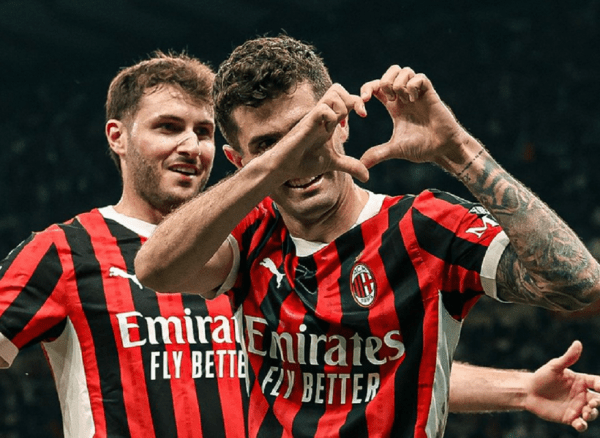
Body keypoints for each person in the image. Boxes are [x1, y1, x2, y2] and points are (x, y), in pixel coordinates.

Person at [134, 35, 600, 438]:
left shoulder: (424, 226)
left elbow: (579, 285)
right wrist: (276, 164)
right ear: (240, 162)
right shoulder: (248, 231)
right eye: (268, 146)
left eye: (307, 130)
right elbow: (155, 269)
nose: (297, 157)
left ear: (342, 123)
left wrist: (457, 150)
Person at [0, 51, 247, 438]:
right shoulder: (64, 249)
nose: (191, 146)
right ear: (118, 137)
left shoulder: (245, 247)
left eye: (204, 132)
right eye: (168, 127)